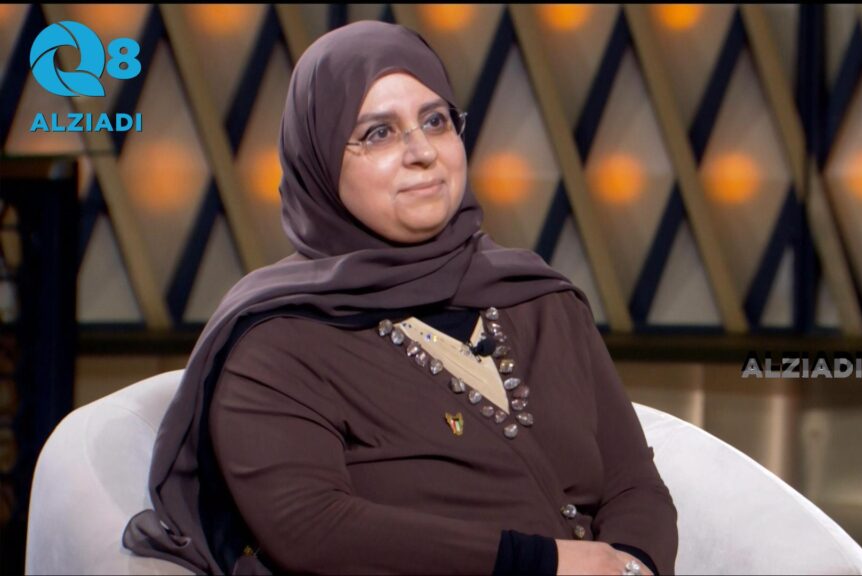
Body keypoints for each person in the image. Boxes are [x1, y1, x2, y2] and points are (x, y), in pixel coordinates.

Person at [123, 20, 677, 575]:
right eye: (378, 133)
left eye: (435, 121)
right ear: (318, 160)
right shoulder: (275, 339)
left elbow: (634, 484)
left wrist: (633, 565)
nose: (422, 152)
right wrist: (538, 564)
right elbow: (311, 527)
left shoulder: (540, 299)